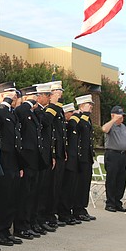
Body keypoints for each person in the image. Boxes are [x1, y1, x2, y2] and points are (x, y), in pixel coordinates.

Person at [0, 83, 22, 246]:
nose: (14, 96)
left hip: (13, 160)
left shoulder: (12, 113)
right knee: (2, 197)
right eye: (10, 93)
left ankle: (5, 230)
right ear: (1, 95)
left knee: (11, 197)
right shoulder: (0, 111)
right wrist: (4, 103)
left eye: (15, 93)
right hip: (3, 159)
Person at [13, 86, 42, 239]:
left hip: (34, 159)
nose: (36, 99)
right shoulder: (22, 111)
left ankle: (28, 222)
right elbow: (20, 113)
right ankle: (21, 226)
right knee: (24, 194)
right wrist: (28, 103)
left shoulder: (32, 113)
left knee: (31, 193)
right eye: (33, 96)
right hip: (25, 158)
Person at [32, 83, 56, 233]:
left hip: (44, 154)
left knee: (42, 190)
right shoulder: (38, 111)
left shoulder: (42, 111)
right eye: (47, 95)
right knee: (36, 191)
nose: (49, 98)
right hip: (37, 155)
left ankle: (38, 219)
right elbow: (46, 122)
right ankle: (34, 220)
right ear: (39, 97)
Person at [45, 82, 67, 229]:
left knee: (57, 185)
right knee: (50, 186)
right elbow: (49, 129)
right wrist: (53, 152)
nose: (60, 93)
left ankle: (53, 213)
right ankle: (48, 215)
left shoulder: (59, 109)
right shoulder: (50, 109)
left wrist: (62, 149)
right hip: (51, 153)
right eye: (57, 91)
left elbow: (61, 133)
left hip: (59, 152)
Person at [72, 95, 96, 221]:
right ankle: (77, 209)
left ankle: (82, 207)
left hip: (87, 156)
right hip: (81, 156)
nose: (91, 106)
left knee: (85, 184)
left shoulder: (87, 119)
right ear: (81, 105)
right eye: (88, 104)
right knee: (80, 184)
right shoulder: (79, 118)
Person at [102, 105, 126, 212]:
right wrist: (113, 120)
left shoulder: (123, 127)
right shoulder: (110, 125)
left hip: (122, 155)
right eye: (119, 115)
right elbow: (104, 129)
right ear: (113, 115)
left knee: (121, 180)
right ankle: (110, 203)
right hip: (112, 154)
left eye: (122, 116)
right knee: (112, 179)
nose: (121, 118)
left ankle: (118, 202)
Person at [58, 103, 80, 225]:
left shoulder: (71, 125)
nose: (73, 116)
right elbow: (72, 125)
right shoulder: (68, 125)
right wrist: (76, 116)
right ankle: (63, 213)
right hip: (67, 162)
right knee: (65, 189)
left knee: (71, 188)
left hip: (73, 161)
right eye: (70, 113)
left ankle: (68, 211)